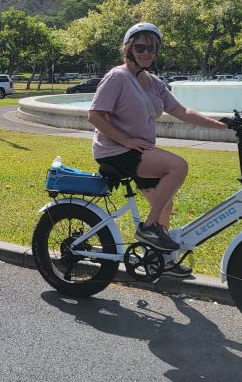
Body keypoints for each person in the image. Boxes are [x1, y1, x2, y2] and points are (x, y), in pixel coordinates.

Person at [87, 22, 227, 277]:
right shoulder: (117, 77)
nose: (147, 53)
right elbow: (95, 116)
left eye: (152, 49)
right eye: (140, 47)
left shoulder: (154, 83)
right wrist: (126, 140)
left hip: (140, 152)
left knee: (166, 206)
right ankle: (149, 227)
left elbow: (181, 111)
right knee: (178, 166)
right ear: (128, 48)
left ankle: (160, 262)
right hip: (116, 151)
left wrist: (220, 124)